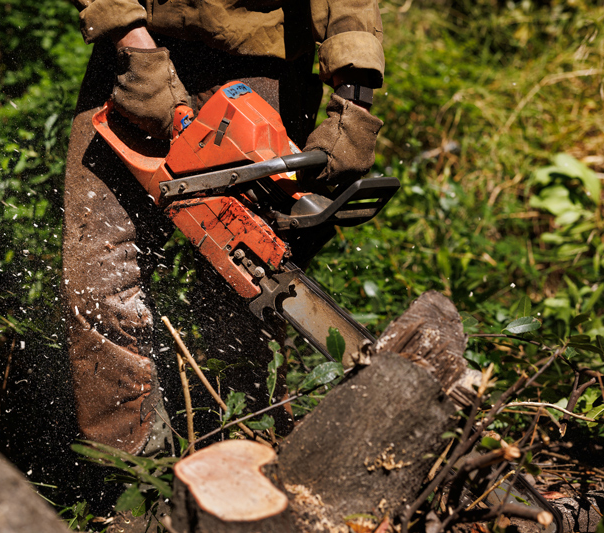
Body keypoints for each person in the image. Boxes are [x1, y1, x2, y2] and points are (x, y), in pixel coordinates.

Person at [63, 0, 385, 456]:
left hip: (263, 59)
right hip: (133, 49)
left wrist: (354, 99)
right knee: (98, 282)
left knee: (247, 284)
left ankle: (247, 452)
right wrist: (132, 43)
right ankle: (130, 477)